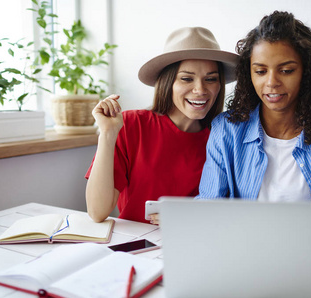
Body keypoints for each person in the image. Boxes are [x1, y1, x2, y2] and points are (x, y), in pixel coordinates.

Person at [196, 11, 311, 255]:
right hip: (244, 259)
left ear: (307, 72)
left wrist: (294, 245)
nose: (271, 82)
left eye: (286, 70)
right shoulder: (226, 131)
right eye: (260, 71)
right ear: (249, 74)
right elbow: (208, 207)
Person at [85, 27, 238, 224]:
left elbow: (226, 213)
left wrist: (185, 217)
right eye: (186, 78)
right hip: (134, 244)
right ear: (168, 82)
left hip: (194, 242)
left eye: (211, 79)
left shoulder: (224, 137)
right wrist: (107, 134)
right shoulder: (131, 125)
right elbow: (97, 212)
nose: (200, 89)